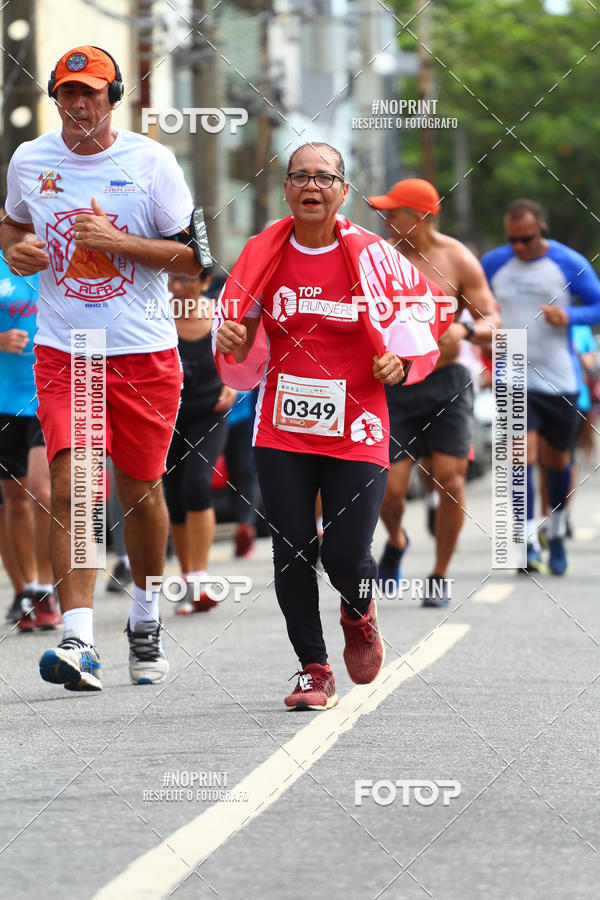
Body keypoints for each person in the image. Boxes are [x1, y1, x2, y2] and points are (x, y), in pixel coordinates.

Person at [1, 45, 202, 691]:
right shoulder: (30, 160)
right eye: (68, 93)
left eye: (91, 93)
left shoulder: (151, 161)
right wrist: (20, 251)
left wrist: (120, 245)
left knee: (140, 494)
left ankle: (144, 619)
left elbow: (193, 261)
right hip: (69, 350)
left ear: (114, 98)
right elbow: (10, 228)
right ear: (55, 98)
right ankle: (79, 638)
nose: (79, 104)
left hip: (144, 353)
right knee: (72, 487)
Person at [215, 143, 442, 710]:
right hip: (282, 427)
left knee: (345, 555)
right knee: (291, 549)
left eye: (324, 177)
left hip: (358, 427)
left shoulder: (371, 255)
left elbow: (422, 317)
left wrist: (403, 362)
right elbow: (236, 330)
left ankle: (358, 612)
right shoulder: (262, 253)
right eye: (300, 177)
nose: (311, 186)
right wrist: (234, 338)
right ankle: (312, 668)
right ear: (286, 188)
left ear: (344, 190)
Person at [368, 179, 499, 606]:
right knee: (389, 490)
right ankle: (398, 539)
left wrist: (464, 328)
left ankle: (439, 575)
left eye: (394, 213)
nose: (385, 220)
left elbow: (493, 321)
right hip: (395, 384)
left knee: (451, 480)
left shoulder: (457, 258)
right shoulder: (378, 258)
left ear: (420, 217)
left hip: (447, 383)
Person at [481, 199, 600, 575]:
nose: (518, 247)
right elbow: (473, 303)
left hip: (559, 376)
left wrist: (570, 315)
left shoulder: (567, 262)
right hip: (512, 371)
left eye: (526, 239)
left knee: (557, 462)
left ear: (542, 230)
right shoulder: (494, 263)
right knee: (520, 455)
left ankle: (558, 530)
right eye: (512, 239)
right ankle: (527, 539)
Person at [163, 270, 236, 613]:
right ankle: (188, 579)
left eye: (186, 280)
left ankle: (202, 577)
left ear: (205, 283)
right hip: (167, 416)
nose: (177, 287)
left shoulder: (219, 313)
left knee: (196, 484)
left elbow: (247, 352)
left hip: (209, 411)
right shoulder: (158, 314)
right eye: (172, 280)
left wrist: (234, 383)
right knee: (173, 495)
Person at [0, 240, 59, 630]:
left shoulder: (53, 262)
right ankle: (23, 590)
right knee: (15, 501)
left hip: (47, 394)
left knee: (44, 492)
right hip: (5, 400)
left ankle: (44, 587)